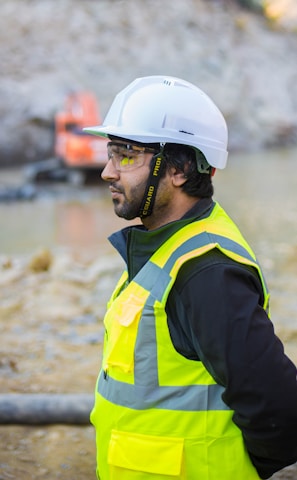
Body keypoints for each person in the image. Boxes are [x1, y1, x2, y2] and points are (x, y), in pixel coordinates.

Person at [84, 76, 297, 480]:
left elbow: (281, 410)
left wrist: (234, 465)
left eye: (126, 155)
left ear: (179, 169)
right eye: (111, 153)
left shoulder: (206, 271)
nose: (107, 172)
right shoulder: (162, 247)